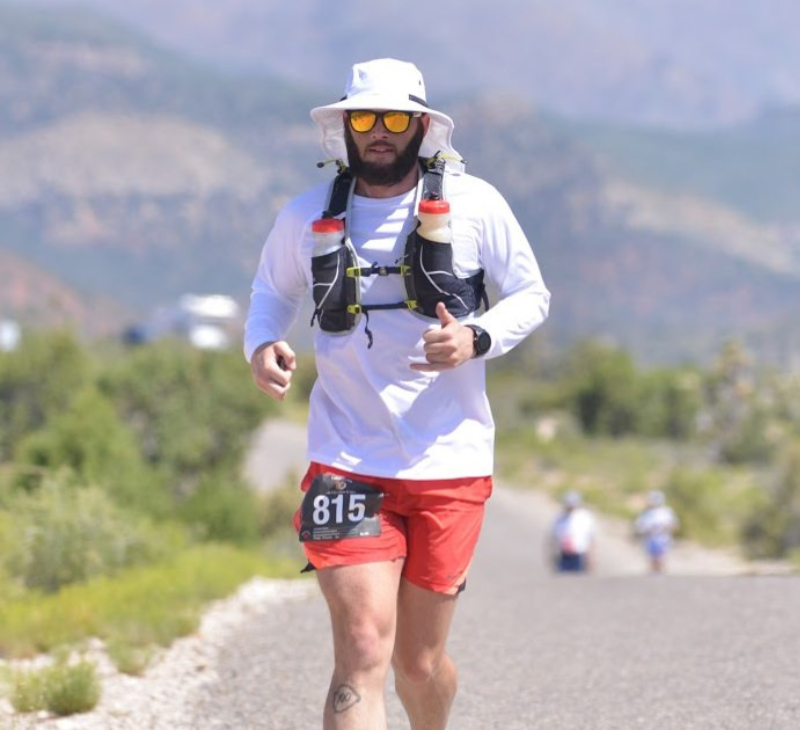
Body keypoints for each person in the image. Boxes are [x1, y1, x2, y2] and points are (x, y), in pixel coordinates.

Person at [244, 58, 550, 730]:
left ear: (420, 129)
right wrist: (262, 345)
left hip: (451, 463)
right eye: (364, 118)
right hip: (344, 457)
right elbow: (272, 292)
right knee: (360, 649)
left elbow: (531, 295)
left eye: (394, 120)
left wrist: (478, 337)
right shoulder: (304, 216)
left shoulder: (477, 205)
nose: (378, 132)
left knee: (418, 664)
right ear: (345, 129)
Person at [634, 490, 679, 574]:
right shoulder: (646, 513)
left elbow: (673, 524)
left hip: (663, 537)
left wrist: (665, 528)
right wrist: (646, 529)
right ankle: (654, 573)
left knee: (661, 556)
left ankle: (660, 572)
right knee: (652, 557)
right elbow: (639, 525)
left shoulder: (666, 511)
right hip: (650, 537)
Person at [550, 491, 595, 573]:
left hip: (579, 554)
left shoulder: (584, 517)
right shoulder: (560, 517)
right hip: (564, 554)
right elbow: (554, 537)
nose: (570, 506)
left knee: (579, 578)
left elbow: (591, 538)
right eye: (568, 503)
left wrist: (590, 558)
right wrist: (553, 554)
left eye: (573, 503)